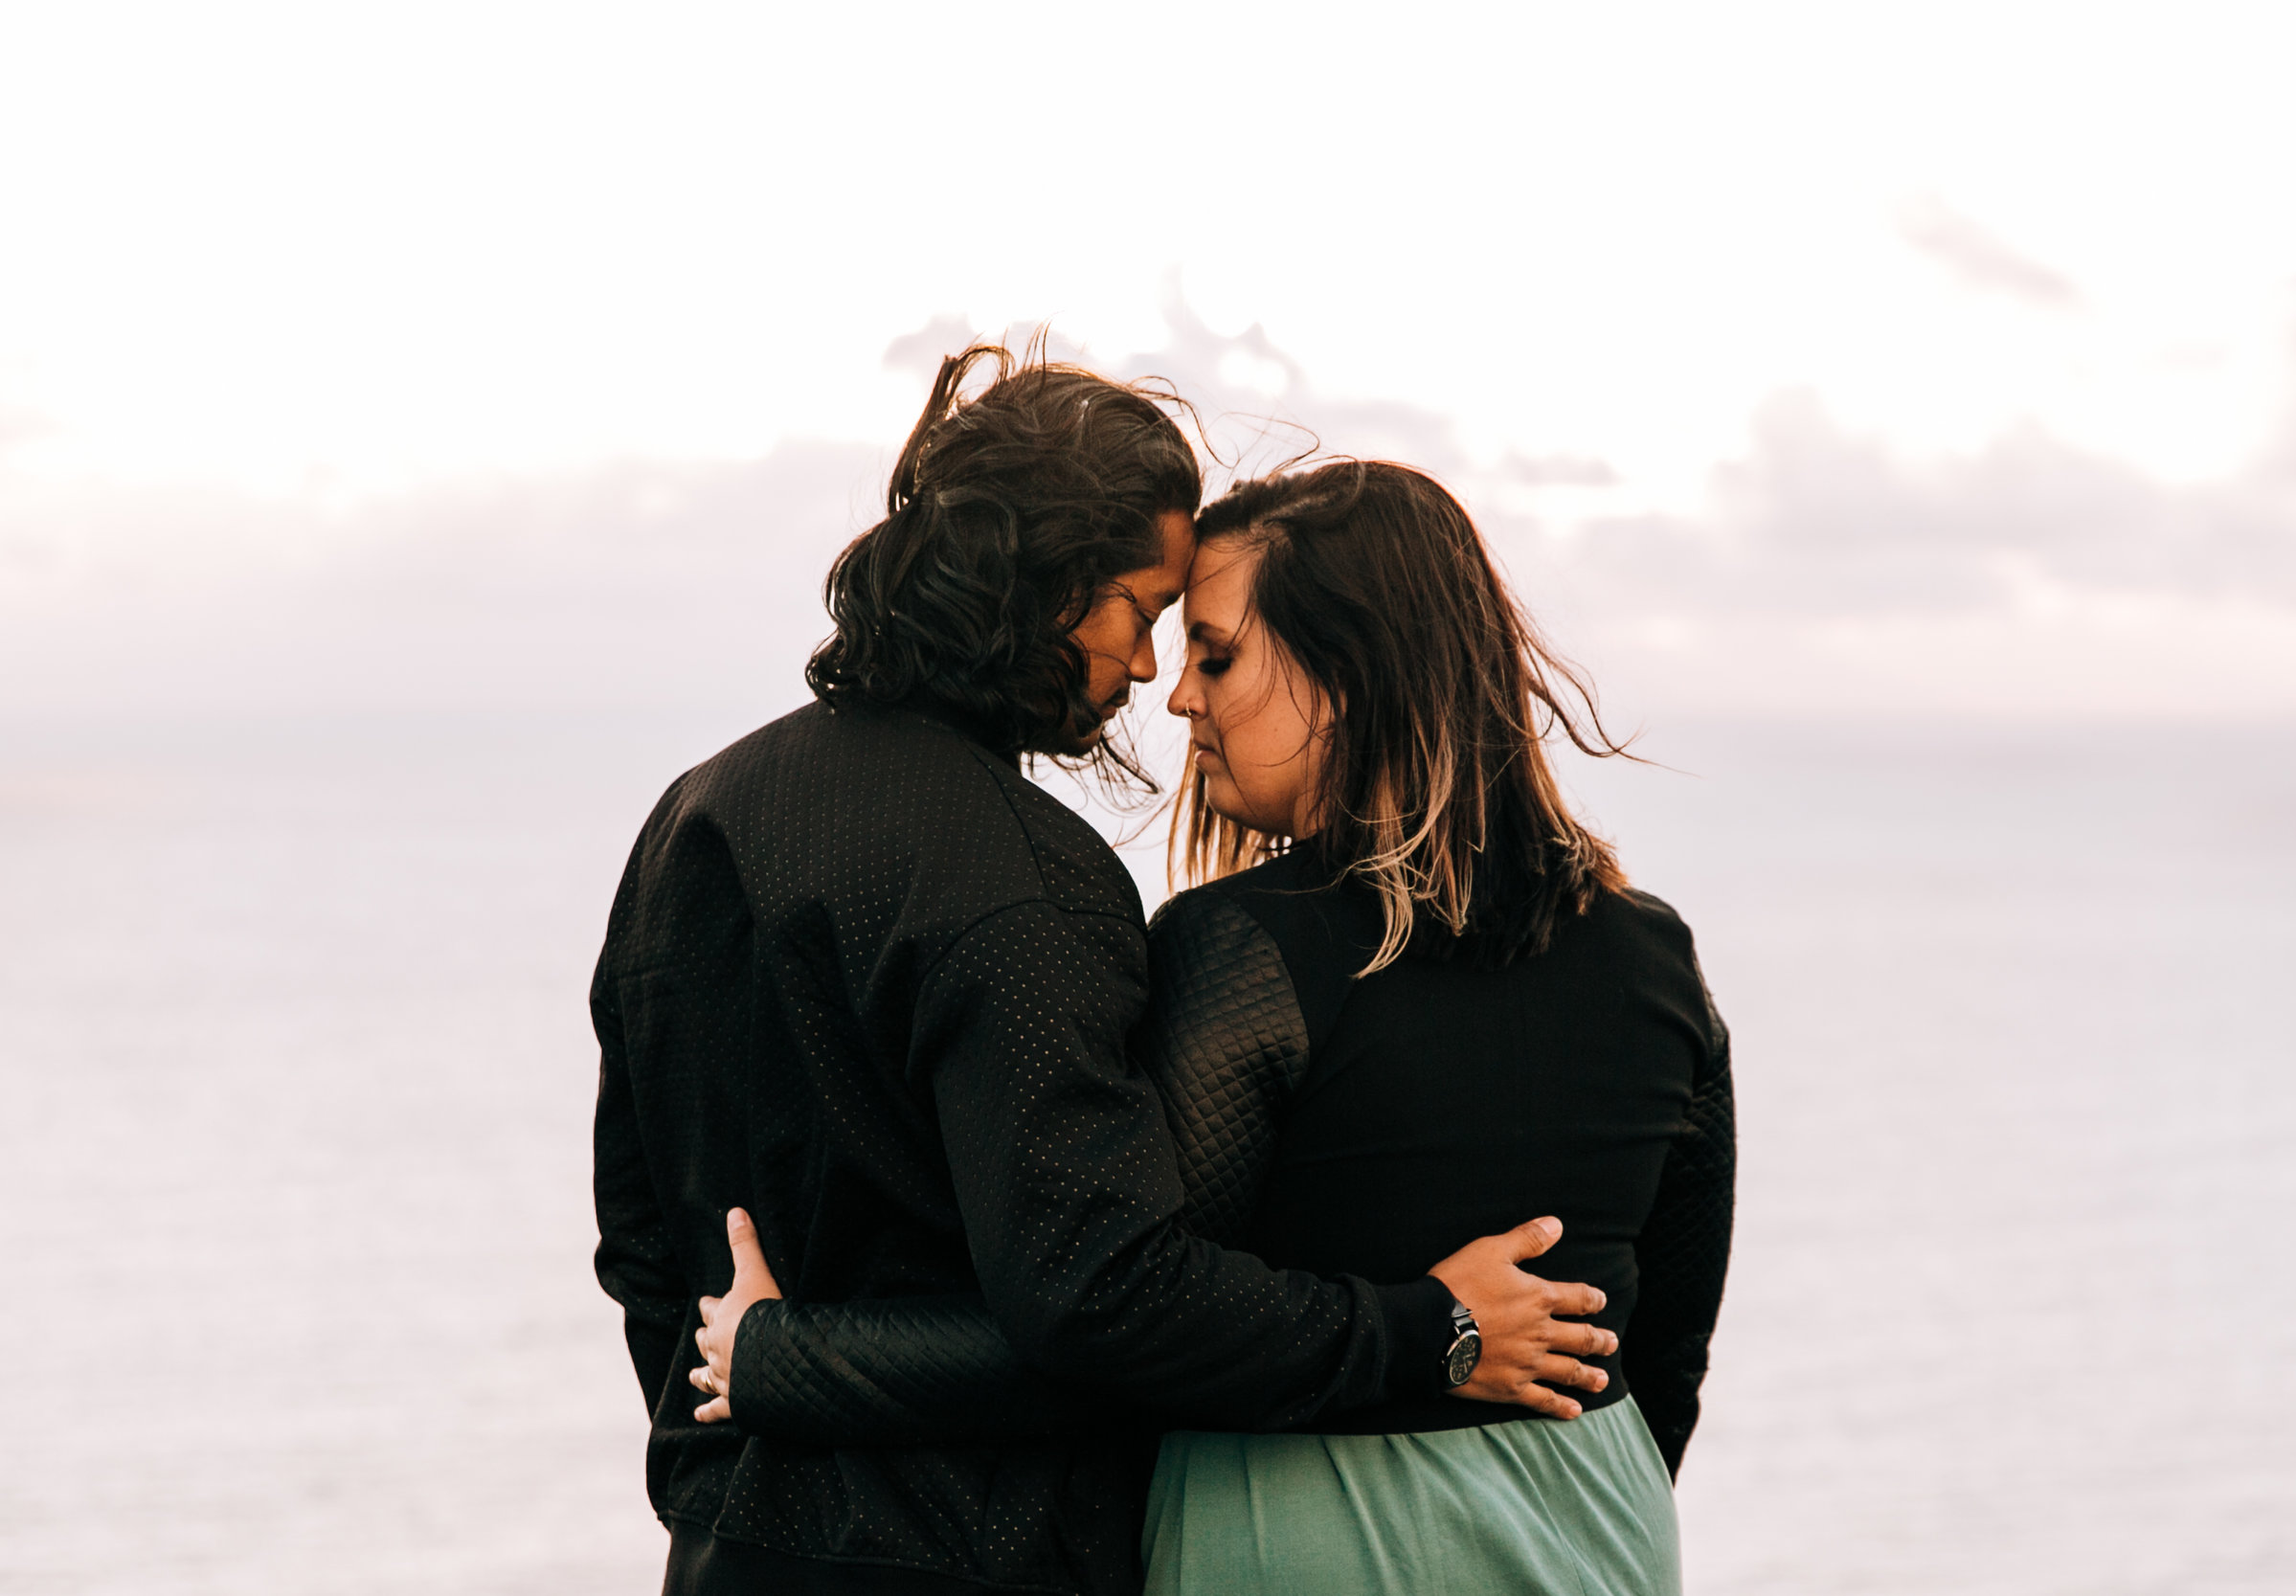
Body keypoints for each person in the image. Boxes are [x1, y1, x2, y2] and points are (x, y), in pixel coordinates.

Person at [592, 350, 1614, 1596]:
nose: (1144, 671)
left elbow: (640, 1238)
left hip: (724, 1552)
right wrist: (1427, 1333)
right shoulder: (1026, 881)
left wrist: (734, 1429)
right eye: (1138, 610)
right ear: (1050, 585)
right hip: (983, 1562)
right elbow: (1110, 1297)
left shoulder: (694, 815)